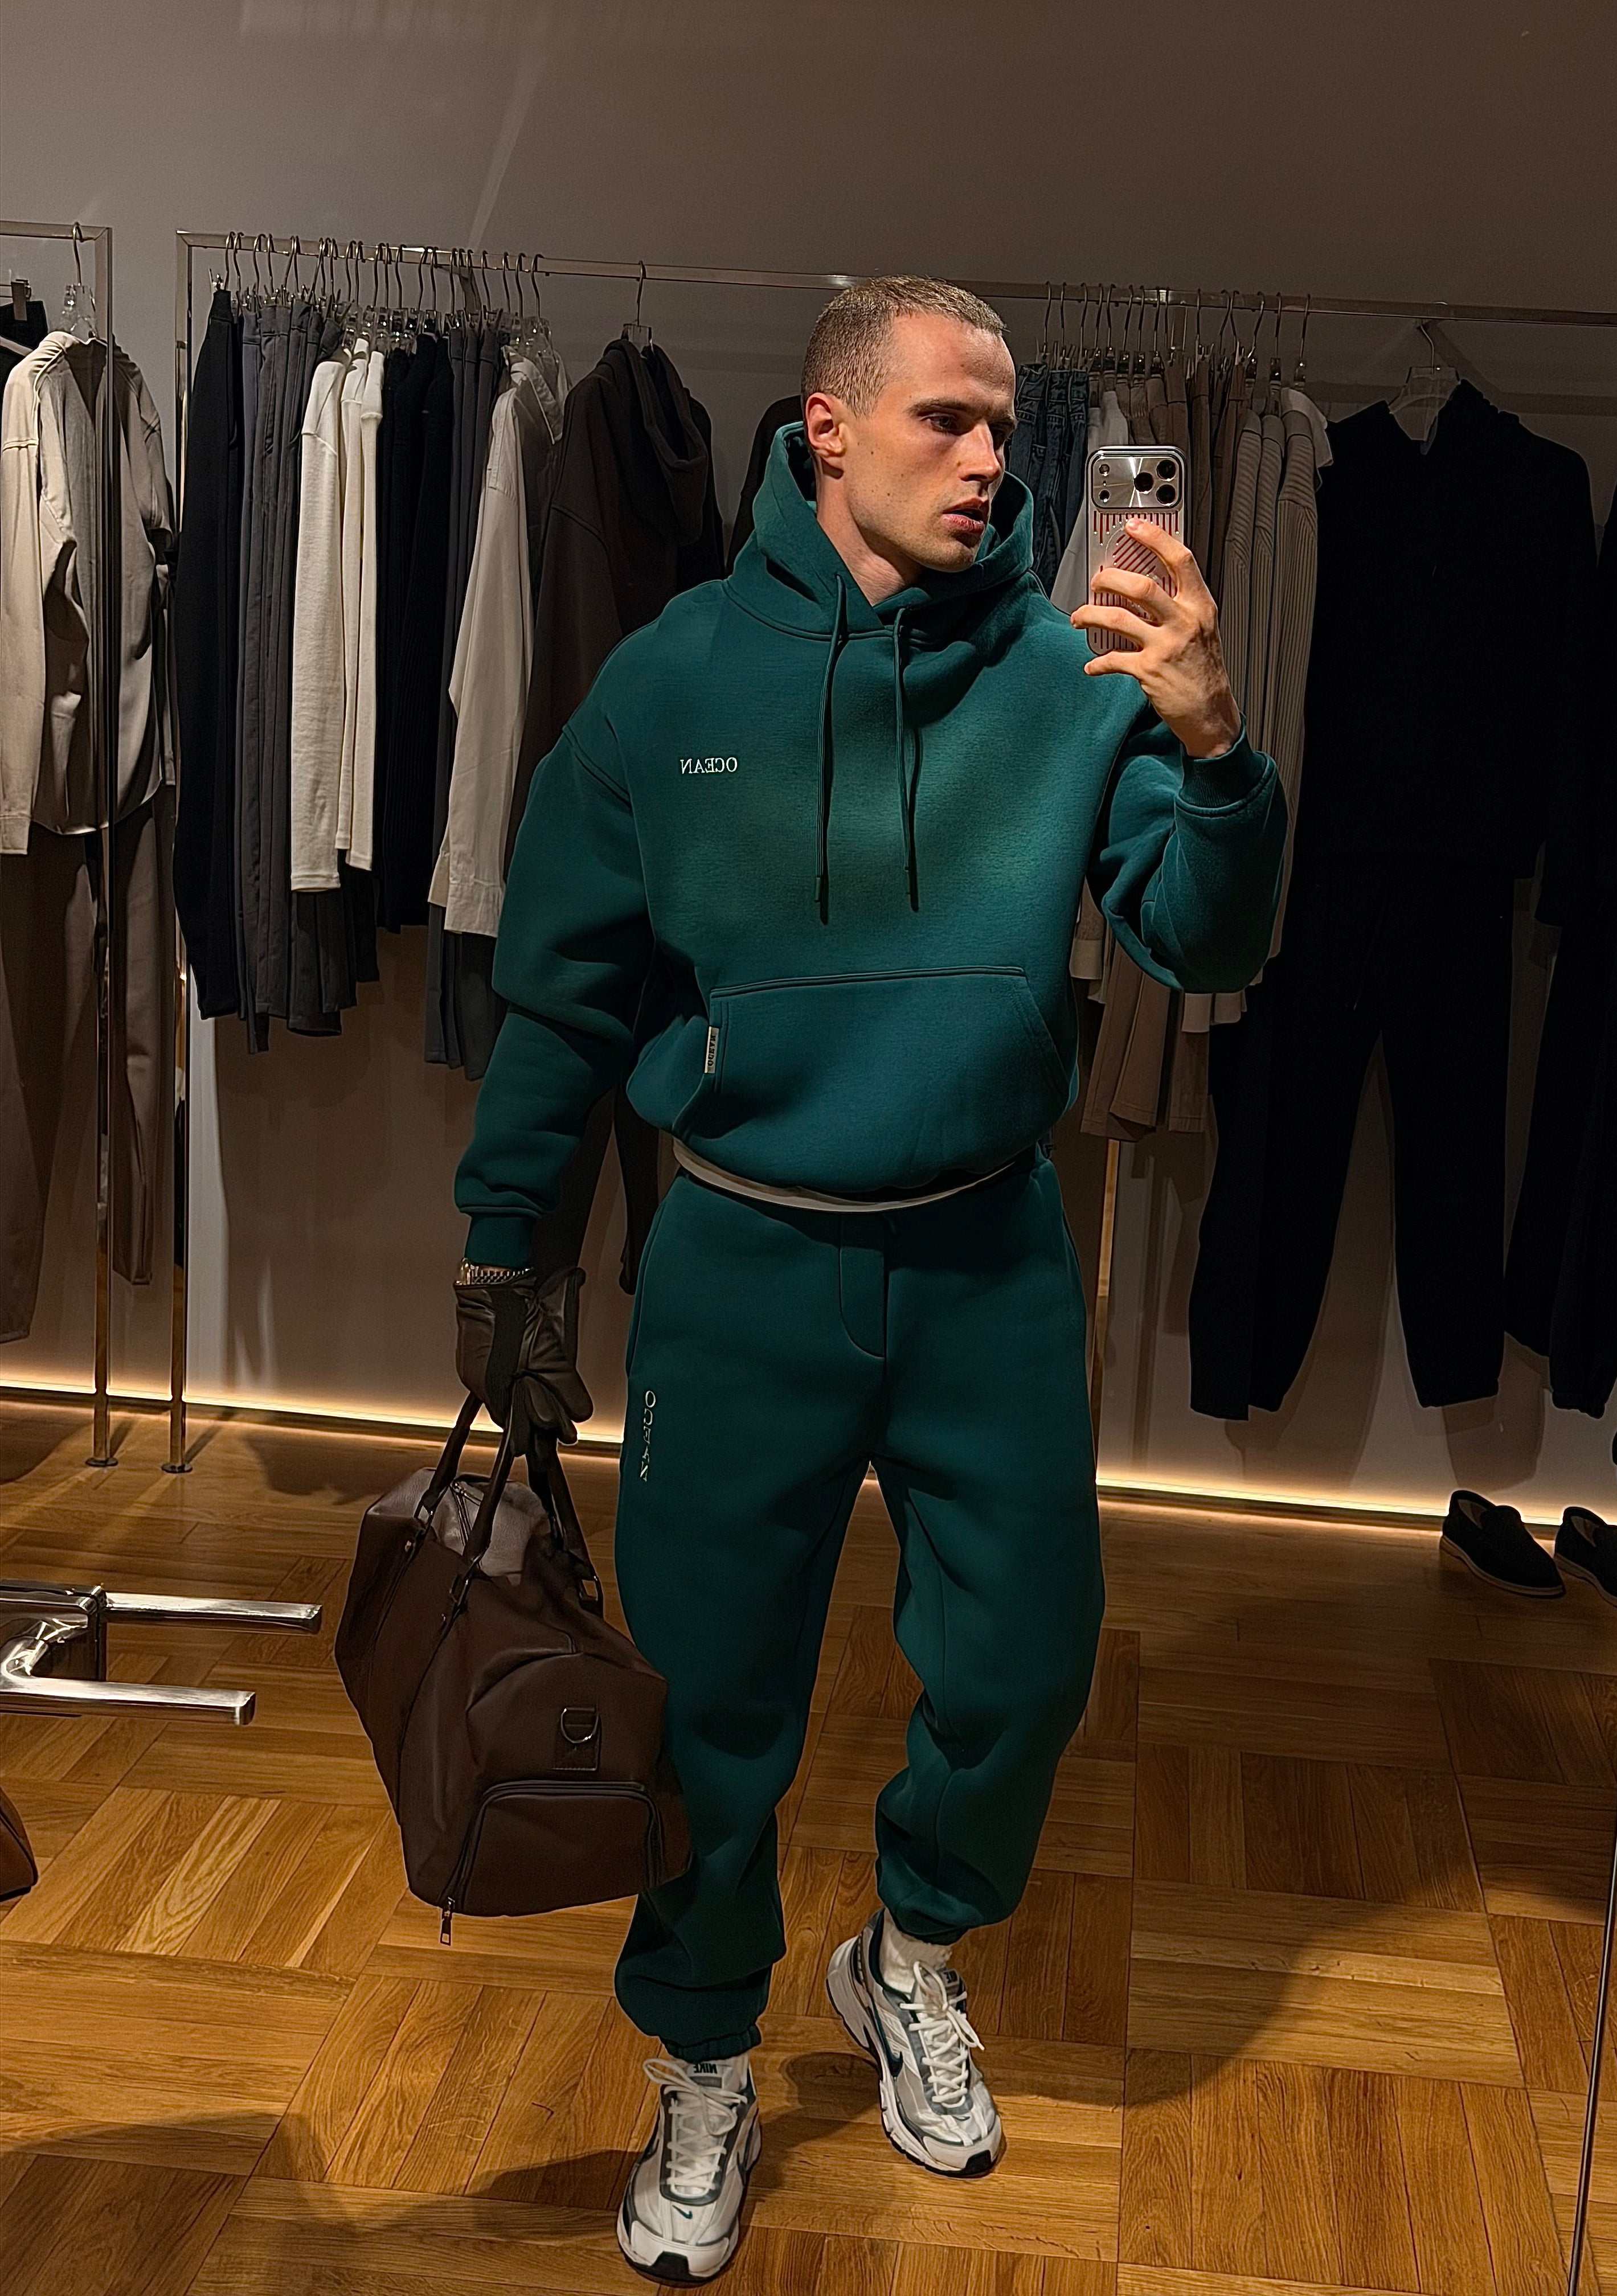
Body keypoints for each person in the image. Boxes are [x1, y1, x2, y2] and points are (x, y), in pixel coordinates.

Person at [452, 275, 1286, 2282]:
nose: (995, 458)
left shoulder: (1074, 673)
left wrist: (1215, 742)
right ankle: (704, 2059)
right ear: (826, 430)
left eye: (1006, 427)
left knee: (1026, 1668)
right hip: (747, 1260)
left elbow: (1203, 938)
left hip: (990, 1252)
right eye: (948, 420)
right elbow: (561, 999)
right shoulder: (670, 679)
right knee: (706, 1700)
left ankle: (906, 1951)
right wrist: (507, 1253)